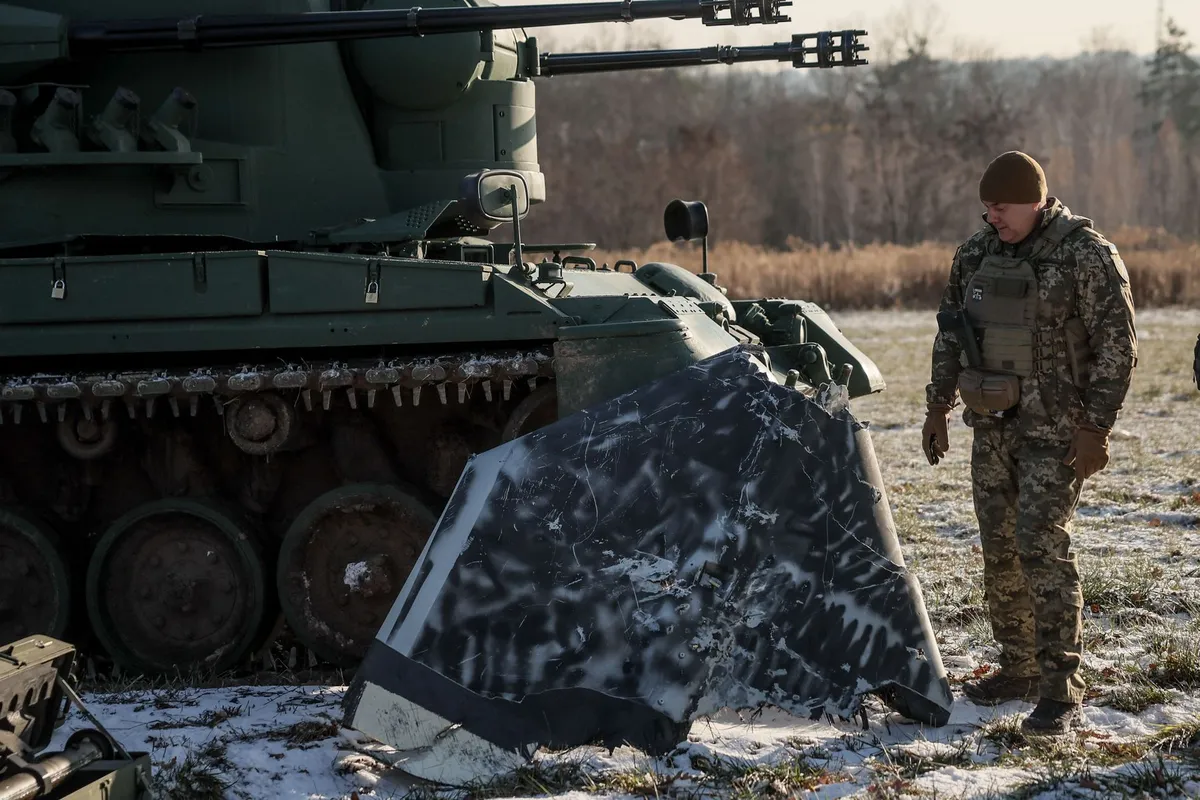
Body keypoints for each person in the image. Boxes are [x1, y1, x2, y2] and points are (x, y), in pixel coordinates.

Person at [921, 151, 1138, 735]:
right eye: (986, 208)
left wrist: (1096, 428)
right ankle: (1017, 667)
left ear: (1035, 199)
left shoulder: (1085, 255)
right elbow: (951, 330)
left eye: (1003, 207)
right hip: (992, 423)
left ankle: (1060, 686)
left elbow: (1118, 345)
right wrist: (938, 405)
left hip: (1057, 431)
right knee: (1000, 549)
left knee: (1040, 545)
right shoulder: (976, 254)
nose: (993, 218)